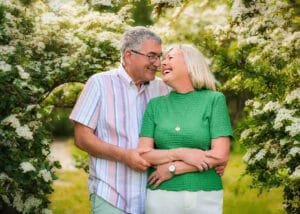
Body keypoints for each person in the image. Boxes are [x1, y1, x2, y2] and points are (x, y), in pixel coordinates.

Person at [69, 26, 170, 214]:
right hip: (111, 195)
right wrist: (124, 155)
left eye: (159, 56)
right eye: (151, 56)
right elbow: (82, 138)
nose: (157, 63)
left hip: (155, 196)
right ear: (129, 55)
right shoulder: (99, 83)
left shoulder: (162, 89)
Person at [138, 44, 233, 214]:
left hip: (206, 195)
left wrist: (172, 168)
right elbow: (144, 153)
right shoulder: (155, 106)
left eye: (170, 58)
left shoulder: (214, 100)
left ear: (190, 63)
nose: (163, 63)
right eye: (163, 59)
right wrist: (181, 153)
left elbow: (220, 155)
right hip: (161, 196)